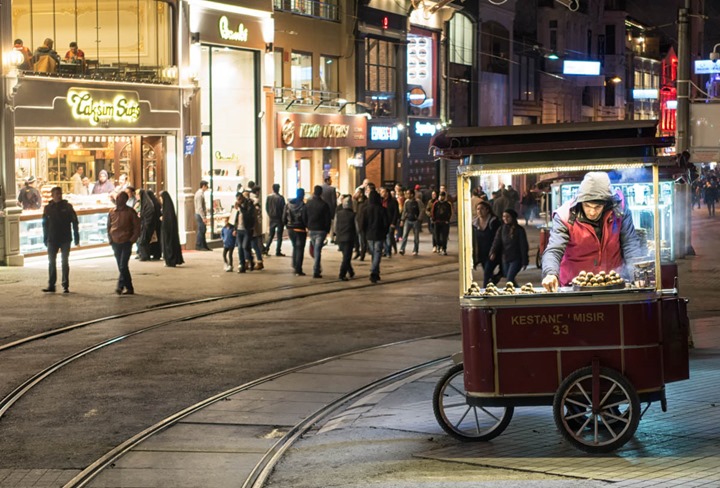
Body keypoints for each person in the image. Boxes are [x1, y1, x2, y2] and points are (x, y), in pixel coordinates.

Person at [541, 171, 643, 292]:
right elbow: (554, 249)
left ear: (606, 204)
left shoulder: (619, 210)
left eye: (597, 207)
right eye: (588, 206)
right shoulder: (564, 216)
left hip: (612, 284)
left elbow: (630, 244)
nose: (592, 212)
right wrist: (551, 273)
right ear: (580, 202)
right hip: (575, 286)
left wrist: (637, 273)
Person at [42, 187, 79, 293]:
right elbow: (45, 224)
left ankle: (65, 285)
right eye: (56, 194)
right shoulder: (48, 208)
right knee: (51, 262)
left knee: (64, 262)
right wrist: (45, 237)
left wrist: (76, 236)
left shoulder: (67, 207)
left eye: (60, 193)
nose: (59, 195)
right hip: (52, 238)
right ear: (52, 195)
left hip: (65, 238)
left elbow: (74, 222)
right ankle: (51, 285)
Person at [107, 191, 141, 295]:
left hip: (126, 241)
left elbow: (137, 226)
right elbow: (109, 226)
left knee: (123, 265)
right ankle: (128, 287)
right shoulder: (112, 211)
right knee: (121, 265)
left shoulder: (130, 212)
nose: (117, 200)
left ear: (125, 200)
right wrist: (110, 238)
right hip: (115, 241)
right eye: (117, 198)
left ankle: (120, 286)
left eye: (120, 198)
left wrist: (132, 239)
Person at [489, 209, 529, 285]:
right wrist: (493, 252)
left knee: (509, 279)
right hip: (505, 258)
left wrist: (525, 261)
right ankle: (518, 291)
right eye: (504, 216)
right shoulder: (501, 229)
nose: (505, 218)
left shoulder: (519, 230)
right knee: (509, 278)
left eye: (508, 217)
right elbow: (496, 241)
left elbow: (524, 246)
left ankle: (513, 294)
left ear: (513, 218)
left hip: (516, 259)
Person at [363, 187, 389, 283]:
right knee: (377, 253)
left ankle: (376, 272)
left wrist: (364, 232)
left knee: (374, 253)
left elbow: (363, 223)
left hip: (369, 235)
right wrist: (385, 232)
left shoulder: (366, 209)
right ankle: (374, 272)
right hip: (379, 234)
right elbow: (386, 223)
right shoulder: (382, 209)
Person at [472, 201, 501, 286]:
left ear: (487, 210)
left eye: (482, 209)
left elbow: (498, 238)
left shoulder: (494, 222)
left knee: (487, 273)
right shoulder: (474, 223)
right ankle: (493, 283)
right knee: (488, 272)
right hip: (481, 253)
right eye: (477, 209)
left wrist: (494, 251)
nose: (479, 211)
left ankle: (484, 290)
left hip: (492, 252)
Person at [306, 185, 332, 278]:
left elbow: (305, 215)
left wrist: (307, 225)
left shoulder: (309, 203)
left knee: (316, 250)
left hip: (312, 229)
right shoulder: (324, 204)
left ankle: (317, 268)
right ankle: (316, 270)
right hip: (321, 230)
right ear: (321, 193)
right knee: (317, 250)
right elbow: (327, 219)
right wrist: (327, 230)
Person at [229, 191, 256, 273]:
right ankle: (242, 265)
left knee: (245, 246)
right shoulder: (237, 206)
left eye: (239, 199)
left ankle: (251, 260)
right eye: (237, 199)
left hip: (247, 229)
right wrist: (234, 229)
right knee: (240, 247)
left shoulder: (249, 204)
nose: (238, 201)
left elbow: (248, 215)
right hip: (239, 229)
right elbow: (234, 218)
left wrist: (240, 207)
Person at [283, 188, 308, 276]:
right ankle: (298, 269)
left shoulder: (288, 205)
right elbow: (305, 218)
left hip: (290, 228)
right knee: (300, 248)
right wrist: (306, 226)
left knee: (295, 246)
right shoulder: (303, 206)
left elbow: (284, 218)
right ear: (303, 195)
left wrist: (287, 225)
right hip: (300, 228)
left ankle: (294, 264)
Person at [334, 195, 357, 281]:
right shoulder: (353, 215)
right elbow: (357, 227)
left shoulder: (338, 214)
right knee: (347, 257)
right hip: (349, 238)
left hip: (340, 238)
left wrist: (337, 234)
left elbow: (335, 226)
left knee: (345, 256)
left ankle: (351, 271)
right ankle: (341, 274)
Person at [159, 191, 185, 268]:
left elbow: (168, 219)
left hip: (168, 230)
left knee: (168, 244)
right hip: (167, 229)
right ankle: (169, 260)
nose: (160, 199)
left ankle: (170, 260)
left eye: (161, 198)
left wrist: (163, 219)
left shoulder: (168, 208)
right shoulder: (166, 206)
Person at [264, 183, 286, 256]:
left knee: (271, 235)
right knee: (279, 236)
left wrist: (270, 214)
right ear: (278, 189)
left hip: (272, 218)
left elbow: (266, 207)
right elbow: (284, 209)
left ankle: (266, 248)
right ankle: (278, 251)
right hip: (279, 219)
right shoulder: (280, 198)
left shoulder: (269, 197)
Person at [136, 190, 158, 261]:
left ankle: (145, 256)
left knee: (143, 241)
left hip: (147, 226)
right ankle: (144, 255)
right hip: (145, 225)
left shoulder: (148, 205)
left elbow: (149, 215)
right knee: (143, 241)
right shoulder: (145, 204)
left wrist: (145, 222)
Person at [399, 189, 422, 255]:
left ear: (412, 194)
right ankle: (402, 249)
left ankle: (415, 250)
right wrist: (402, 219)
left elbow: (422, 210)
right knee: (404, 236)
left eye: (408, 193)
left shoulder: (418, 201)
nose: (406, 195)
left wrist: (419, 219)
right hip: (407, 220)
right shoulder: (406, 201)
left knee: (416, 237)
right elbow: (404, 211)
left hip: (415, 221)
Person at [431, 191, 453, 255]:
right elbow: (433, 212)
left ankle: (444, 248)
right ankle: (438, 245)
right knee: (436, 236)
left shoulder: (447, 204)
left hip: (445, 222)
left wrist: (448, 220)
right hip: (437, 222)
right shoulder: (436, 203)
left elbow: (450, 212)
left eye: (442, 196)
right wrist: (434, 219)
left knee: (444, 237)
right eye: (440, 195)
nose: (441, 197)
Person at [194, 180, 211, 251]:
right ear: (203, 186)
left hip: (200, 214)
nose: (207, 187)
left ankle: (204, 245)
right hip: (199, 215)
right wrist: (203, 217)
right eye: (207, 186)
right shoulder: (199, 194)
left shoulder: (201, 193)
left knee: (203, 230)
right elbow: (200, 207)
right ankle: (199, 245)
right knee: (201, 230)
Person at [146, 190, 163, 260]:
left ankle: (154, 253)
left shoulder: (151, 204)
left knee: (154, 240)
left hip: (154, 224)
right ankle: (157, 254)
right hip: (158, 224)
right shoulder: (156, 203)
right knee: (156, 240)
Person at [321, 175, 337, 242]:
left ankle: (323, 238)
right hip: (330, 209)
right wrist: (334, 210)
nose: (331, 181)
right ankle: (331, 238)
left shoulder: (320, 188)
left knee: (322, 223)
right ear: (327, 180)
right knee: (331, 224)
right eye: (330, 180)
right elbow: (334, 201)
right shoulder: (332, 189)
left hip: (321, 209)